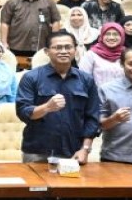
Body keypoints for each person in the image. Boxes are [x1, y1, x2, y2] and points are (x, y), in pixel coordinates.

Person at [16, 31, 101, 163]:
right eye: (57, 47)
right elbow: (23, 112)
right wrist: (47, 107)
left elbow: (93, 118)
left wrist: (85, 149)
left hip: (74, 151)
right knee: (37, 184)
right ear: (46, 51)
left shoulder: (86, 80)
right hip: (37, 151)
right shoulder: (31, 77)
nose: (63, 51)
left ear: (75, 50)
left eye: (68, 47)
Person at [0, 0, 61, 64]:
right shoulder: (11, 3)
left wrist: (54, 41)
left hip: (42, 45)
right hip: (17, 45)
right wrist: (4, 42)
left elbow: (56, 21)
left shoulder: (48, 1)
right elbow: (5, 23)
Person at [79, 22, 127, 86]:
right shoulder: (91, 55)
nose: (111, 38)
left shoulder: (127, 54)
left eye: (116, 34)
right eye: (107, 34)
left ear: (122, 36)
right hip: (98, 94)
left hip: (123, 94)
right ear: (102, 36)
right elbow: (84, 79)